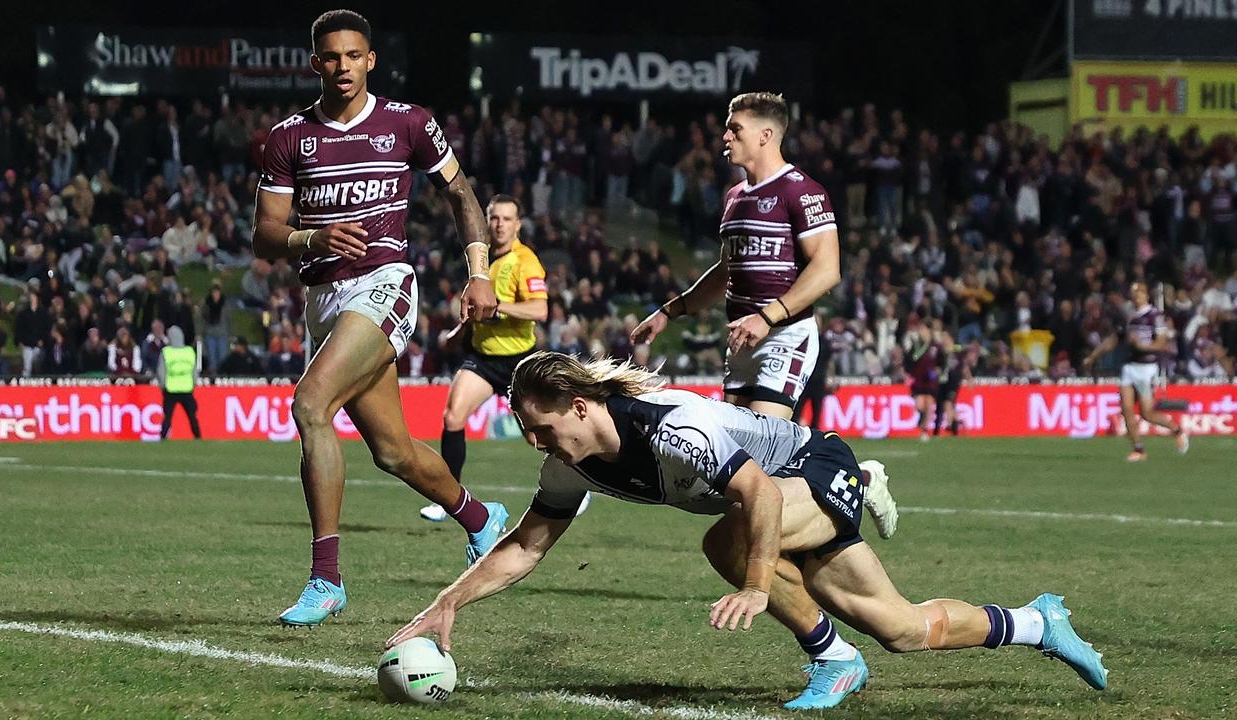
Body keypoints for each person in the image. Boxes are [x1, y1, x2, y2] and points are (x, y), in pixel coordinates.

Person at [387, 352, 1108, 711]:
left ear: (577, 406)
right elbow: (524, 545)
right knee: (904, 630)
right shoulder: (575, 460)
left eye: (543, 428)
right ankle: (1038, 622)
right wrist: (450, 600)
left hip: (813, 469)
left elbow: (756, 491)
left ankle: (831, 659)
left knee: (726, 542)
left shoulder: (671, 427)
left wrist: (760, 585)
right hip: (785, 500)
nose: (539, 445)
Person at [251, 9, 507, 627]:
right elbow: (265, 235)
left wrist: (478, 271)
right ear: (316, 63)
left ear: (371, 60)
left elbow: (460, 194)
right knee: (393, 453)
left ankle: (326, 578)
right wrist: (313, 239)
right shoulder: (289, 138)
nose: (342, 67)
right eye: (331, 57)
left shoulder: (408, 124)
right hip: (326, 301)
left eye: (353, 56)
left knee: (311, 405)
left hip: (384, 284)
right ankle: (480, 518)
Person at [631, 92, 896, 538]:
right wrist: (670, 311)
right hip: (743, 342)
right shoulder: (734, 196)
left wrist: (768, 317)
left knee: (760, 461)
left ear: (766, 135)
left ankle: (786, 562)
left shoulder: (802, 191)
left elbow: (827, 268)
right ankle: (860, 478)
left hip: (784, 336)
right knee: (729, 467)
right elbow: (726, 270)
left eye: (735, 128)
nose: (725, 136)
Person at [419, 195, 550, 523]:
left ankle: (578, 486)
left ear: (518, 224)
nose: (500, 225)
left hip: (519, 361)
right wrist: (457, 333)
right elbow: (478, 311)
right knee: (452, 417)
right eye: (494, 218)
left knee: (536, 436)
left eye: (507, 219)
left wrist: (498, 305)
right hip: (483, 357)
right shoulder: (482, 263)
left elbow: (540, 309)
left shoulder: (526, 262)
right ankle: (448, 499)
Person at [1083, 282, 1188, 461]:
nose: (1136, 295)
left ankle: (1176, 430)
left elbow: (1162, 343)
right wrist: (1093, 356)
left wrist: (1141, 346)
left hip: (1146, 369)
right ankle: (1139, 450)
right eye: (1133, 293)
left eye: (1139, 292)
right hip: (1129, 367)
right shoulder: (1129, 317)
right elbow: (1114, 339)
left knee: (1147, 413)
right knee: (1126, 410)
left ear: (1146, 295)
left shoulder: (1155, 316)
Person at [157, 325, 202, 440]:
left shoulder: (166, 352)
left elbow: (161, 371)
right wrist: (193, 384)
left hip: (171, 389)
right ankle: (198, 437)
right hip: (187, 389)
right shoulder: (189, 351)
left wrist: (163, 385)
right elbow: (194, 370)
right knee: (192, 416)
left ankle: (163, 437)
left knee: (168, 417)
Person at [904, 320, 944, 442]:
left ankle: (925, 431)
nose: (922, 332)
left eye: (924, 330)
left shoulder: (936, 346)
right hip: (918, 380)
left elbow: (941, 361)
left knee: (928, 405)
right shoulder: (916, 346)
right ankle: (921, 421)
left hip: (931, 381)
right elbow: (910, 360)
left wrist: (937, 371)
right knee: (920, 405)